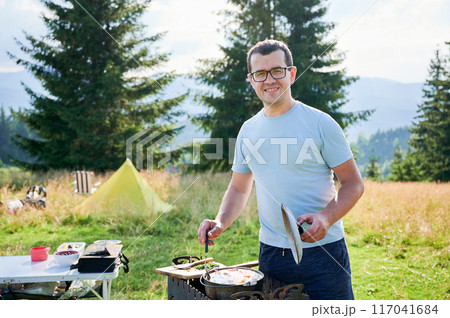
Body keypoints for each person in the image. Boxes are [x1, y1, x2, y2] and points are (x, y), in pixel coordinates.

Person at [197, 39, 364, 300]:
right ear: (251, 79)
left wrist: (326, 218)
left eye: (277, 71)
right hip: (273, 255)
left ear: (292, 74)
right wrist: (220, 221)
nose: (269, 80)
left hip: (325, 252)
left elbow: (353, 183)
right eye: (260, 74)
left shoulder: (321, 123)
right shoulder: (248, 131)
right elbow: (239, 188)